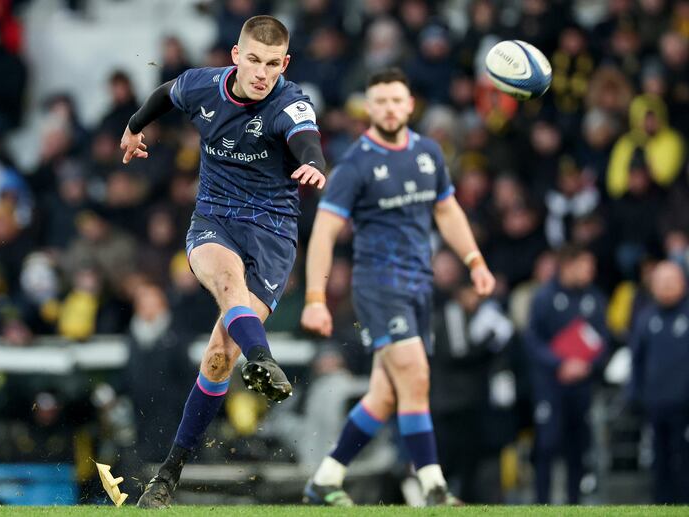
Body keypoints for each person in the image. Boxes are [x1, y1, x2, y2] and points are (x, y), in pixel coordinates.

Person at [118, 15, 326, 508]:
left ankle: (170, 470)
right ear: (235, 55)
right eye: (253, 59)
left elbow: (306, 139)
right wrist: (132, 129)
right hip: (215, 219)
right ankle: (263, 359)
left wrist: (314, 163)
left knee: (217, 356)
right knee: (230, 290)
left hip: (273, 235)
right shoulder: (202, 85)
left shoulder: (290, 101)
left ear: (285, 64)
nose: (262, 72)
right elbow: (166, 93)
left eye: (273, 64)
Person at [300, 68, 495, 507]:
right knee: (416, 377)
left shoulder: (428, 153)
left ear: (410, 105)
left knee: (385, 395)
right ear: (369, 108)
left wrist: (474, 261)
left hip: (418, 285)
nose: (389, 108)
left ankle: (324, 480)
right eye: (380, 101)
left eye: (396, 100)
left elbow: (447, 212)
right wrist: (315, 298)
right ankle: (434, 487)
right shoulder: (355, 164)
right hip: (378, 287)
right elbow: (325, 234)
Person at [525, 244, 609, 504]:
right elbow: (532, 341)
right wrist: (559, 362)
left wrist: (588, 366)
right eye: (586, 265)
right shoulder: (544, 297)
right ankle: (541, 504)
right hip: (550, 385)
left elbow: (604, 341)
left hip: (580, 385)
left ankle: (575, 504)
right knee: (547, 445)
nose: (591, 271)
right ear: (568, 265)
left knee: (577, 447)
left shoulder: (594, 298)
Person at [628, 261, 689, 503]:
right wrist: (634, 394)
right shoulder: (645, 318)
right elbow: (637, 360)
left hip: (685, 406)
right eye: (660, 282)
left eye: (671, 281)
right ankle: (661, 505)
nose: (665, 287)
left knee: (683, 460)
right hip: (655, 404)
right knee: (658, 460)